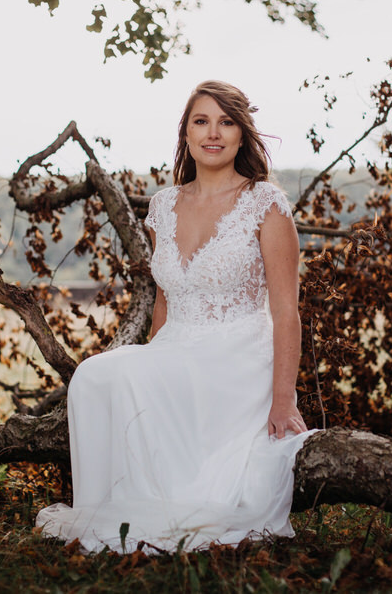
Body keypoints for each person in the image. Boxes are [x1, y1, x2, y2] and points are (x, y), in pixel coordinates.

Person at [36, 80, 314, 553]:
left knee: (118, 373)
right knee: (94, 376)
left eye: (226, 122)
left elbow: (287, 312)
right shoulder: (163, 206)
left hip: (237, 356)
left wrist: (283, 400)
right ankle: (122, 506)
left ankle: (169, 505)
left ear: (243, 136)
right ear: (185, 133)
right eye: (201, 121)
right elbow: (165, 301)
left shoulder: (265, 205)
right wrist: (153, 359)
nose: (213, 133)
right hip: (177, 346)